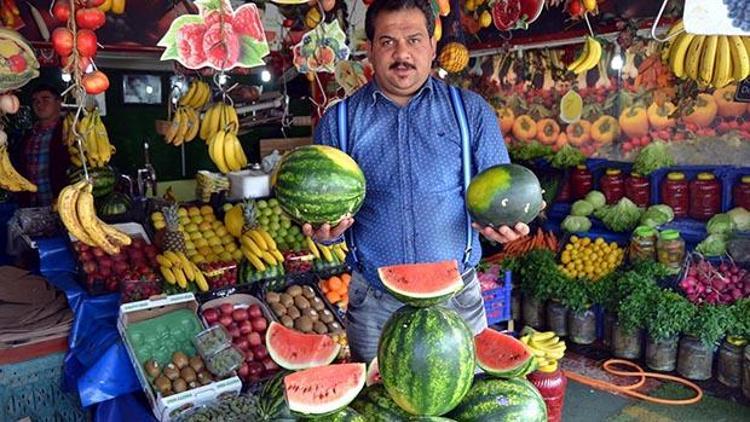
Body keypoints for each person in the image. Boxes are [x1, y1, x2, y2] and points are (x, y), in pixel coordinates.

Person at [305, 0, 536, 363]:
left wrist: (503, 227)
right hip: (375, 301)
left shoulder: (471, 112)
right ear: (370, 50)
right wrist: (325, 232)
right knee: (378, 410)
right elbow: (325, 208)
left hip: (456, 297)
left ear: (432, 46)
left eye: (414, 40)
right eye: (387, 42)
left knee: (463, 408)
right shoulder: (338, 123)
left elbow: (502, 195)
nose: (402, 54)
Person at [11, 83, 69, 208]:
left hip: (61, 204)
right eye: (35, 101)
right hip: (32, 206)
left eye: (45, 99)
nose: (39, 104)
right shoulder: (28, 135)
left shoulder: (69, 131)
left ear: (58, 102)